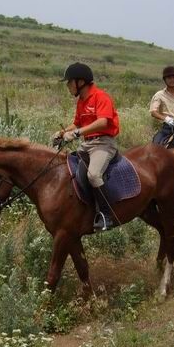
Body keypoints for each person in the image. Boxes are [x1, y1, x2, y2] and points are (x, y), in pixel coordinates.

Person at [52, 62, 121, 232]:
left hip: (103, 143)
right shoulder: (81, 101)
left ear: (80, 82)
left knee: (94, 175)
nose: (68, 86)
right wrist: (62, 132)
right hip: (88, 144)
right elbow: (77, 123)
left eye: (69, 82)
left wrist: (77, 133)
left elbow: (103, 122)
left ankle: (106, 215)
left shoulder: (101, 97)